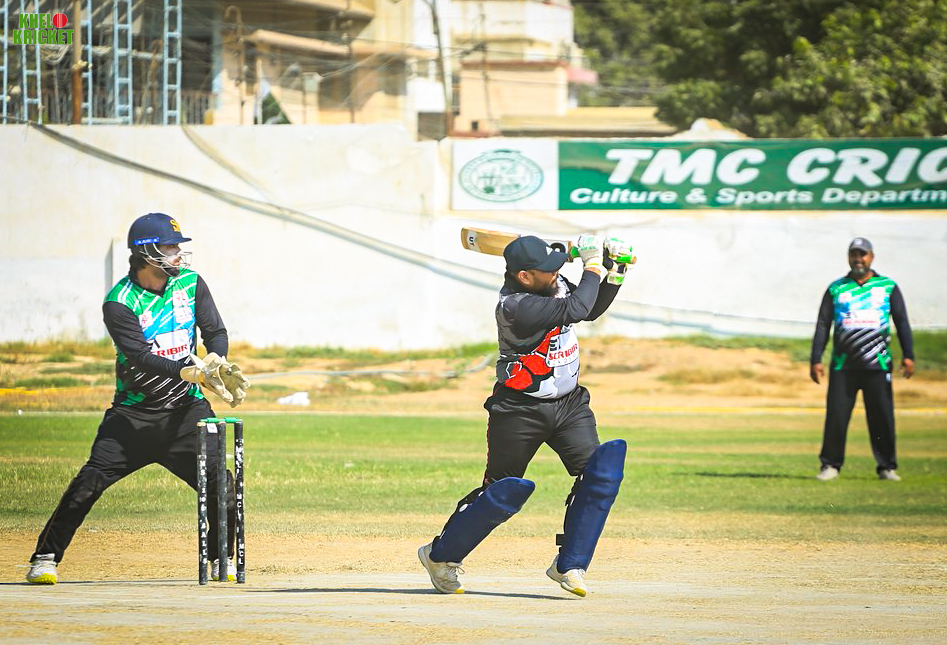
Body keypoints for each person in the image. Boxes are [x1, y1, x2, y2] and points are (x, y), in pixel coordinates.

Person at [25, 213, 250, 584]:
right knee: (87, 484)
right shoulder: (119, 302)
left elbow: (215, 330)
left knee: (222, 486)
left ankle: (219, 558)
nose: (178, 254)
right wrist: (186, 371)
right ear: (147, 252)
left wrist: (216, 361)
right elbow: (139, 357)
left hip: (186, 412)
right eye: (170, 247)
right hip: (133, 418)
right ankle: (45, 558)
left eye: (178, 246)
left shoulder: (191, 283)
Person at [418, 233, 631, 597]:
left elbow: (590, 307)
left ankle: (570, 564)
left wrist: (615, 271)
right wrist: (593, 263)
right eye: (548, 269)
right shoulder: (517, 305)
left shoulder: (551, 283)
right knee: (501, 491)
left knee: (601, 474)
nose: (556, 273)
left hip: (569, 405)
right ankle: (440, 556)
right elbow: (577, 309)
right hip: (520, 409)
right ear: (524, 276)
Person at [810, 237, 915, 482]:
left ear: (871, 257)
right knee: (836, 417)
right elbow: (824, 324)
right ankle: (830, 465)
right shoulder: (837, 288)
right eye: (854, 255)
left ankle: (886, 467)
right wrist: (816, 358)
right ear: (849, 258)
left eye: (862, 254)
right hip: (843, 365)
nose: (858, 259)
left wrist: (908, 355)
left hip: (878, 364)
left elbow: (901, 321)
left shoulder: (887, 286)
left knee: (881, 418)